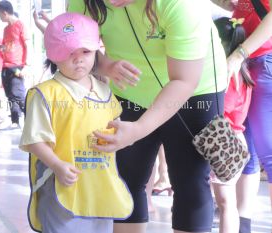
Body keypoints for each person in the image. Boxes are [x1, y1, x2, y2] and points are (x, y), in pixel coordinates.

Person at [68, 0, 228, 233]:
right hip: (131, 90)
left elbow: (184, 80)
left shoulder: (181, 4)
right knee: (125, 180)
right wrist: (105, 65)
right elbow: (74, 46)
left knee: (189, 181)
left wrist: (139, 129)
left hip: (195, 91)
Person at [19, 12, 133, 233]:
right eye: (69, 52)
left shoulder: (104, 91)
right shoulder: (45, 94)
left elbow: (117, 130)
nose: (78, 58)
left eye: (86, 51)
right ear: (53, 55)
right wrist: (57, 165)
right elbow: (34, 141)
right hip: (62, 189)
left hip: (101, 189)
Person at [212, 1, 272, 232]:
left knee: (267, 152)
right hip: (246, 63)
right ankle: (242, 225)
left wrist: (239, 54)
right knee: (246, 151)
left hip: (260, 60)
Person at [212, 16, 254, 233]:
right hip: (237, 139)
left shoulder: (224, 75)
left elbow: (220, 113)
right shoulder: (245, 75)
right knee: (228, 204)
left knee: (226, 204)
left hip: (221, 140)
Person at [0, 0, 30, 129]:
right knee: (10, 95)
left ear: (5, 13)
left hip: (18, 66)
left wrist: (27, 65)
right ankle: (15, 122)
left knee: (18, 94)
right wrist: (0, 47)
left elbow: (27, 46)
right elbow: (7, 47)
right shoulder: (5, 29)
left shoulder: (20, 25)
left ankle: (32, 122)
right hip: (6, 66)